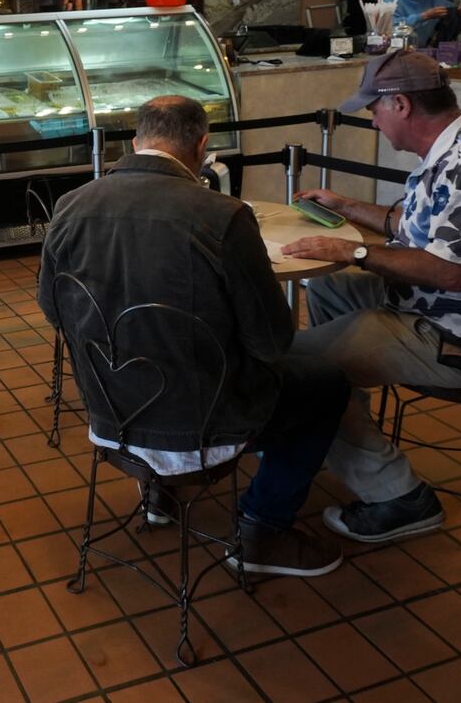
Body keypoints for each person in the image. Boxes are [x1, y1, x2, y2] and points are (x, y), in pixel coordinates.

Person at [38, 95, 348, 577]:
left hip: (110, 413)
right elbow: (271, 342)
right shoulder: (222, 215)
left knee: (160, 349)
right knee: (327, 382)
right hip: (202, 424)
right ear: (202, 147)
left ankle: (160, 492)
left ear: (136, 142)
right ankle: (261, 528)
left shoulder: (70, 205)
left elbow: (54, 309)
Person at [278, 51, 461, 543]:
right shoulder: (458, 148)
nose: (373, 121)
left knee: (299, 371)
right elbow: (420, 227)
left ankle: (399, 497)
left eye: (373, 110)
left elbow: (450, 273)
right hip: (437, 311)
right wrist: (346, 207)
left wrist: (354, 250)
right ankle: (337, 420)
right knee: (330, 285)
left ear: (399, 104)